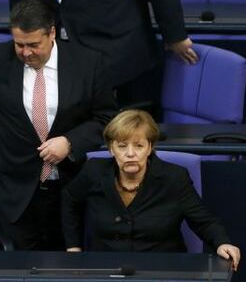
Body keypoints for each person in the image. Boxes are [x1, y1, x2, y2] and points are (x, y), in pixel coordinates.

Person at [0, 0, 117, 250]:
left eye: (33, 45)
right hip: (13, 188)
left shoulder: (89, 63)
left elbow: (107, 118)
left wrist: (71, 141)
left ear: (51, 33)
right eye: (19, 44)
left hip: (70, 190)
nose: (26, 52)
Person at [61, 110, 241, 270]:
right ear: (111, 149)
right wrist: (73, 246)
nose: (130, 153)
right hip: (105, 269)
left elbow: (203, 221)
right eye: (122, 146)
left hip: (162, 270)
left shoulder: (174, 178)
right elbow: (69, 199)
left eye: (138, 145)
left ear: (150, 148)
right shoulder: (94, 171)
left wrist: (222, 243)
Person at [9, 0, 199, 110]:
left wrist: (174, 35)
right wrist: (21, 32)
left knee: (123, 136)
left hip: (117, 47)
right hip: (58, 48)